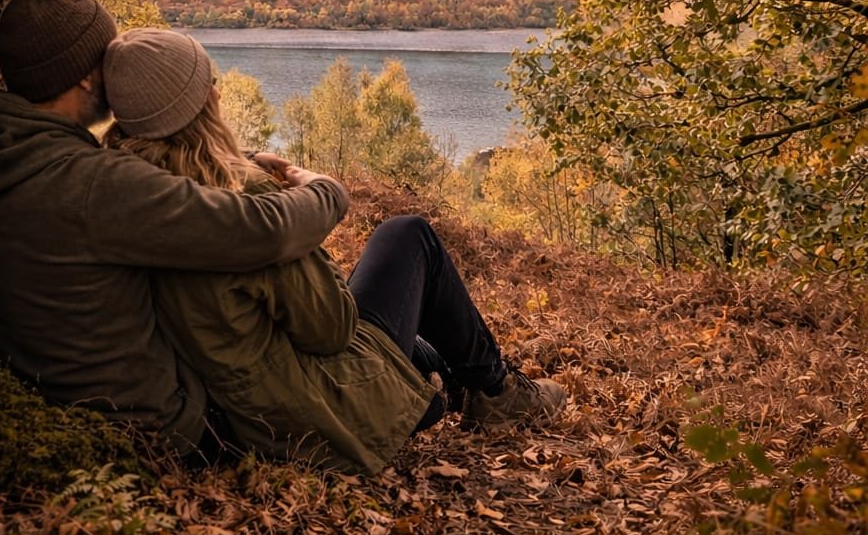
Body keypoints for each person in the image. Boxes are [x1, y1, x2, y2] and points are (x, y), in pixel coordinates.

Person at [102, 27, 568, 475]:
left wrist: (242, 157)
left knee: (425, 346)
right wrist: (313, 189)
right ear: (201, 103)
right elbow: (332, 327)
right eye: (213, 84)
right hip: (309, 408)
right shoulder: (249, 205)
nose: (219, 93)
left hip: (237, 401)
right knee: (408, 236)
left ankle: (471, 378)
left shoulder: (128, 189)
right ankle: (499, 391)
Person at [0, 0, 349, 458]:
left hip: (65, 395)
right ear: (84, 81)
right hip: (163, 425)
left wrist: (240, 157)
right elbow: (263, 228)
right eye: (106, 60)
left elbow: (126, 192)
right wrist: (327, 191)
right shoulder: (92, 183)